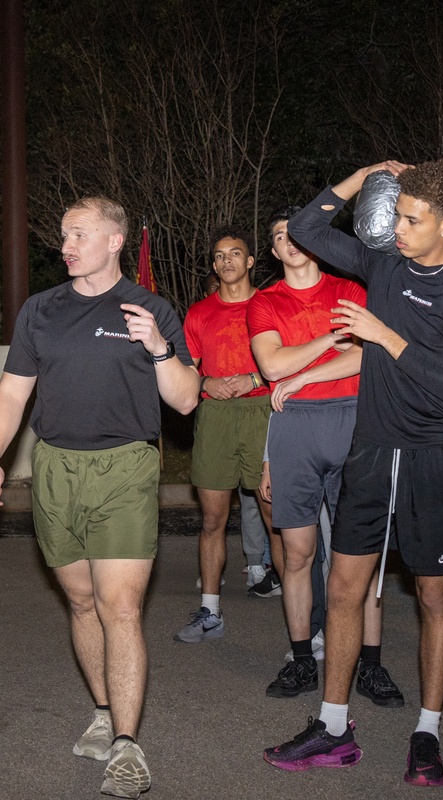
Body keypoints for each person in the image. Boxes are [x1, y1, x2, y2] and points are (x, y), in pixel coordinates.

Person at [262, 159, 443, 787]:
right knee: (342, 590)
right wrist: (361, 177)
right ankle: (333, 727)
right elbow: (310, 227)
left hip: (433, 459)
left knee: (433, 598)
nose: (396, 228)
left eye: (412, 220)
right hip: (371, 452)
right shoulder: (385, 263)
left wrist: (382, 335)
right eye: (395, 214)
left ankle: (427, 732)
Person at [0, 197, 198, 799]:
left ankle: (127, 747)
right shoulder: (41, 311)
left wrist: (157, 345)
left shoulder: (150, 308)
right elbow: (13, 392)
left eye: (80, 233)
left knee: (119, 607)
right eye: (64, 234)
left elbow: (185, 399)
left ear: (115, 240)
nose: (66, 244)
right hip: (53, 469)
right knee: (81, 603)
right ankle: (103, 712)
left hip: (125, 467)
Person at [250, 207, 401, 705]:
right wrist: (325, 343)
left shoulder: (349, 290)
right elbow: (272, 364)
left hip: (354, 420)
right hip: (295, 427)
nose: (290, 241)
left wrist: (303, 374)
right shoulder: (265, 302)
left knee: (360, 557)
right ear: (273, 250)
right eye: (280, 236)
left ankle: (371, 665)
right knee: (297, 553)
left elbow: (366, 353)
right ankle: (300, 661)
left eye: (297, 232)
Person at [173, 227, 277, 643]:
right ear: (214, 265)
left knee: (277, 519)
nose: (227, 261)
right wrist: (203, 385)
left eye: (236, 253)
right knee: (213, 519)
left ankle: (306, 622)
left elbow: (289, 362)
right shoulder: (199, 313)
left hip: (262, 411)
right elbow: (186, 371)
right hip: (214, 416)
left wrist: (252, 376)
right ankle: (210, 611)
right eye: (219, 256)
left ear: (251, 261)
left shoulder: (270, 306)